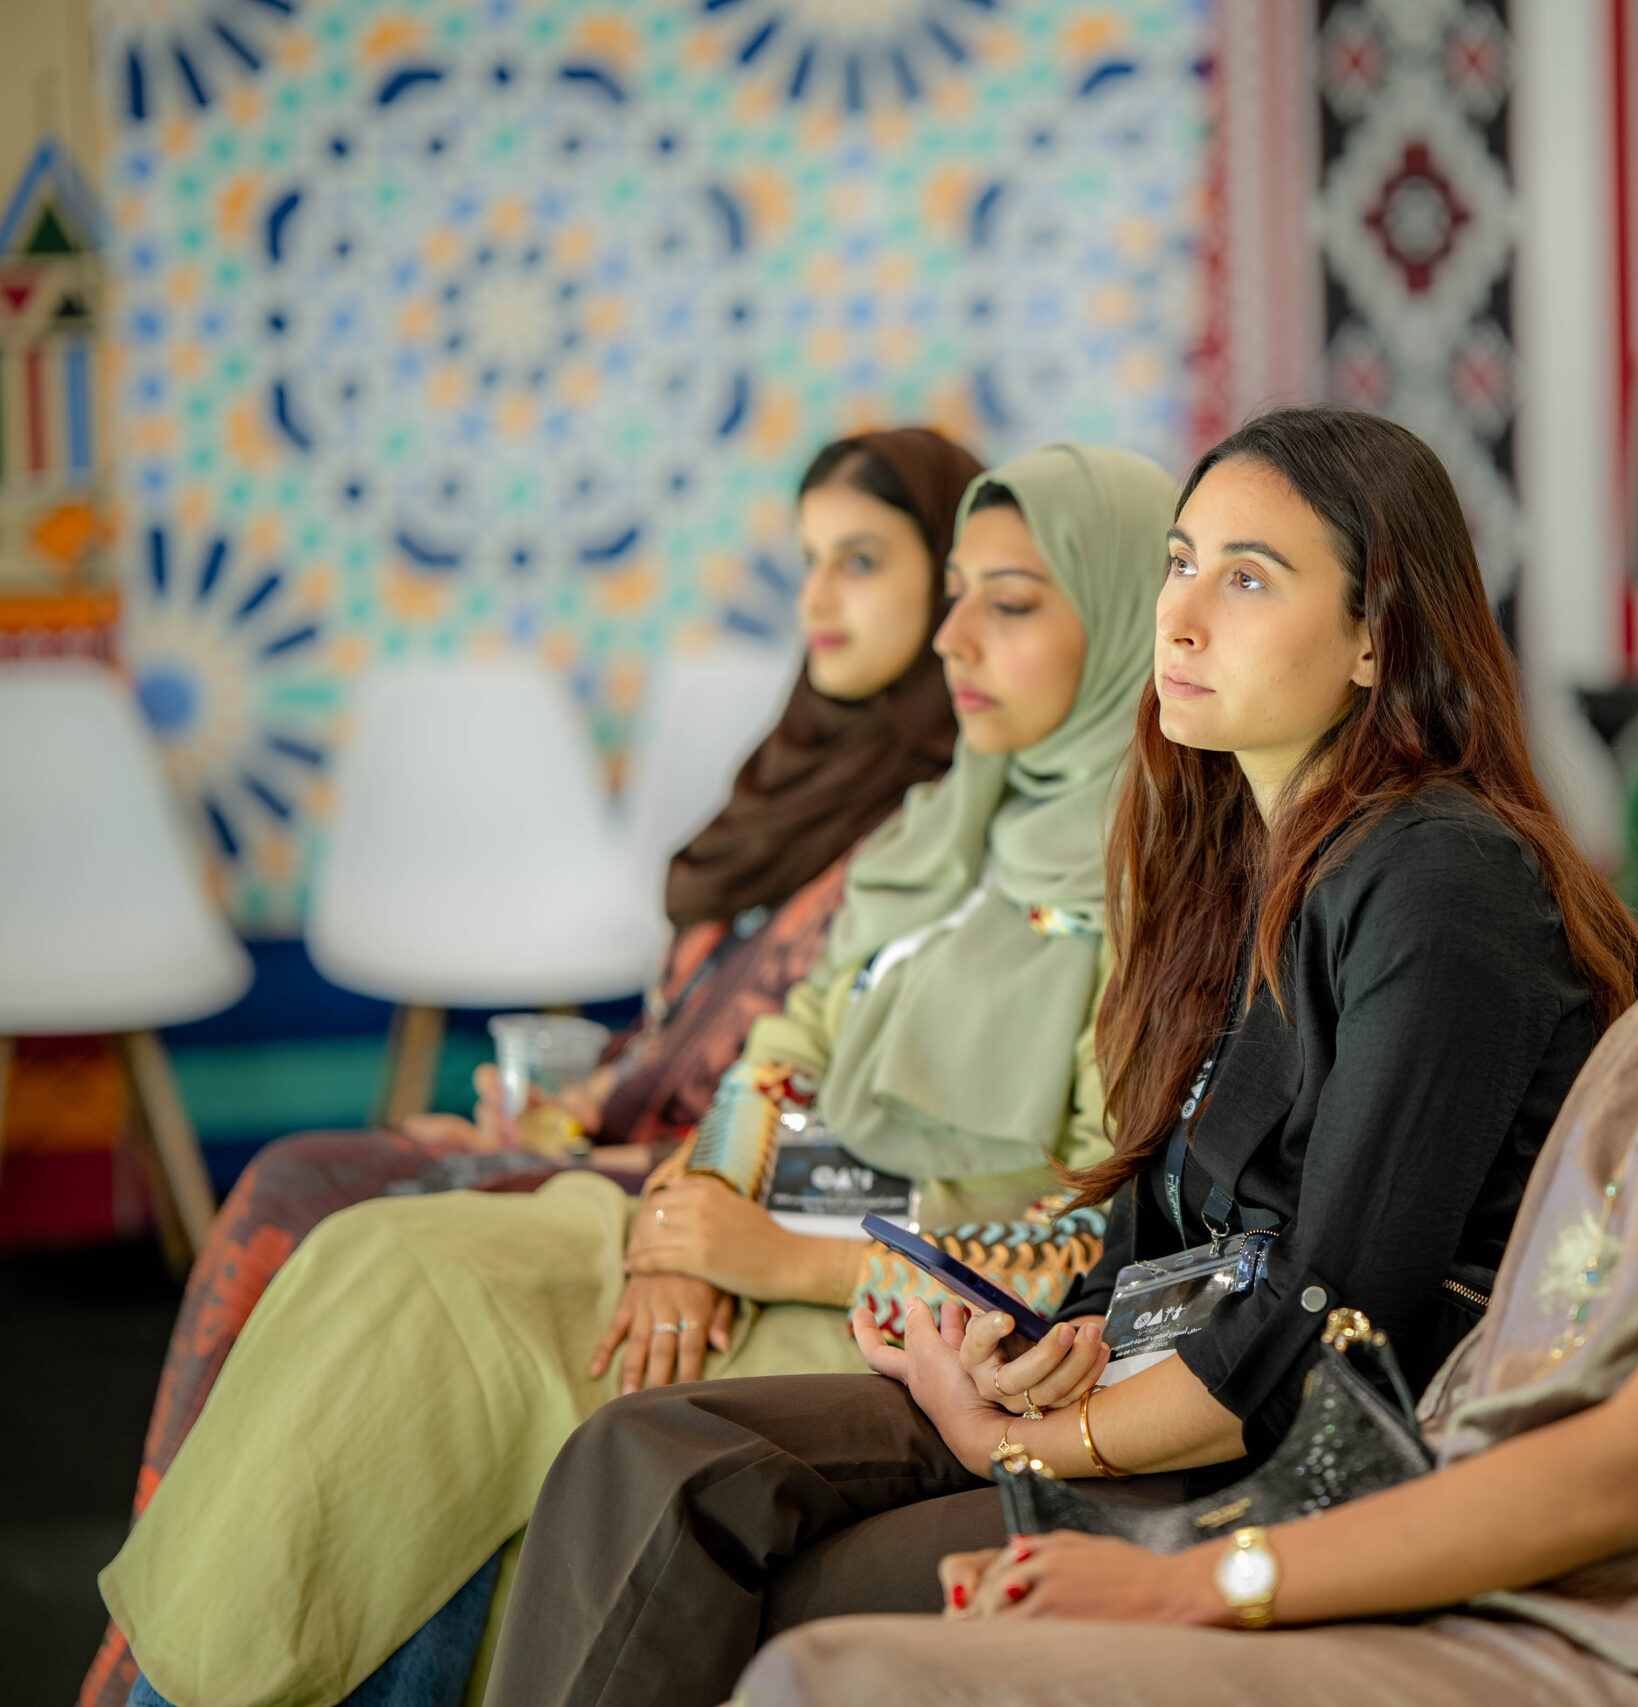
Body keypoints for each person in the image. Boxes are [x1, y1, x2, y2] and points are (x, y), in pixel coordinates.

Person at [731, 471, 1638, 1707]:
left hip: (1628, 1648)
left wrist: (1200, 1576)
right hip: (1461, 1567)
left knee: (831, 1666)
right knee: (822, 1627)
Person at [481, 406, 1638, 1707]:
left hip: (1314, 1460)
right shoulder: (1244, 855)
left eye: (1248, 579)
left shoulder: (1439, 879)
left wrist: (1042, 1440)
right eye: (1178, 563)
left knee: (820, 1584)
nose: (1180, 616)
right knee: (646, 1445)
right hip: (1153, 1378)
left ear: (1376, 634)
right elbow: (1151, 1217)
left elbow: (1332, 1317)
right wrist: (1012, 1348)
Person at [97, 442, 1176, 1707]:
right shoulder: (939, 830)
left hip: (880, 1296)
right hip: (750, 1217)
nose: (953, 640)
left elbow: (1091, 1239)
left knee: (488, 1391)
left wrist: (776, 1261)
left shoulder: (1153, 892)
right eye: (955, 597)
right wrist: (687, 1219)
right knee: (383, 1263)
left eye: (1012, 603)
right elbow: (778, 1055)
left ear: (1120, 620)